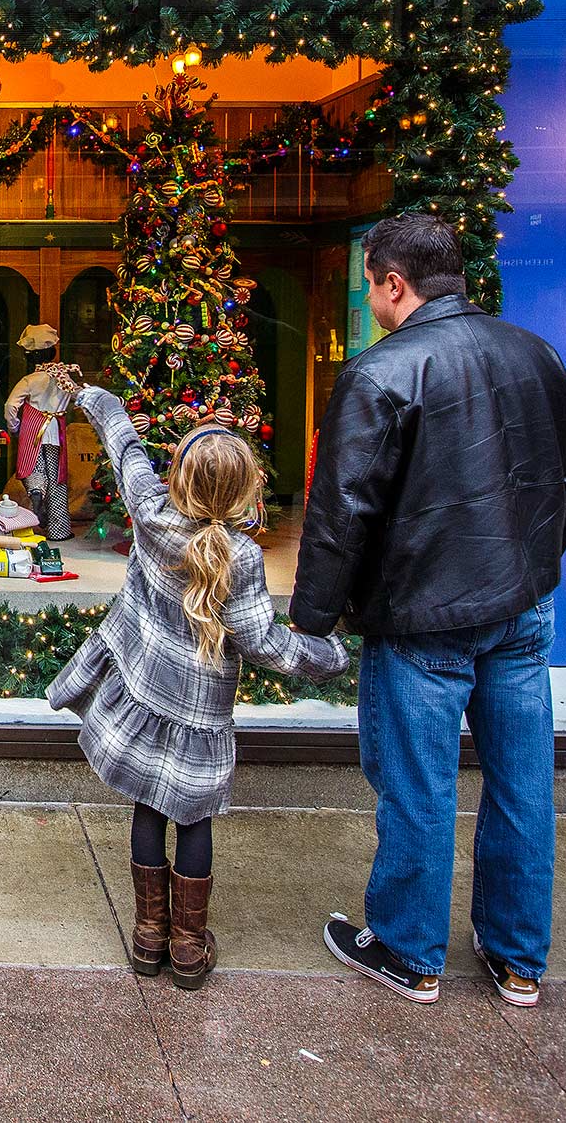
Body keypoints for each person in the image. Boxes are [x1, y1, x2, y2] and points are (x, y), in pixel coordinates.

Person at [291, 212, 566, 1009]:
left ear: (396, 283)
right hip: (521, 613)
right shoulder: (537, 355)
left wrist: (314, 618)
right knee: (523, 781)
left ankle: (408, 949)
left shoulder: (380, 373)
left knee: (418, 784)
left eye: (370, 283)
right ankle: (518, 959)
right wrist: (530, 558)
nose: (370, 296)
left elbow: (340, 514)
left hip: (421, 618)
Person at [47, 375, 350, 990]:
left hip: (143, 696)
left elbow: (124, 445)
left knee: (146, 806)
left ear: (178, 479)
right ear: (244, 492)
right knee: (194, 819)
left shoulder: (153, 516)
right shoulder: (241, 558)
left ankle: (147, 935)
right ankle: (187, 948)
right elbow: (267, 644)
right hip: (200, 720)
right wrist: (332, 656)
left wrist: (90, 395)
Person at [2, 324, 74, 540]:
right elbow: (77, 396)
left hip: (32, 429)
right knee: (57, 480)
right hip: (55, 430)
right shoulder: (64, 378)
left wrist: (14, 426)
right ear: (52, 353)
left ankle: (36, 490)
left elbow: (10, 405)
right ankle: (59, 530)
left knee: (33, 467)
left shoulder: (29, 380)